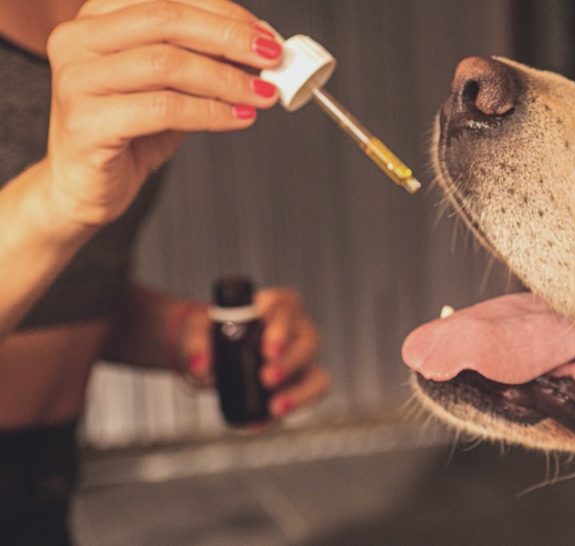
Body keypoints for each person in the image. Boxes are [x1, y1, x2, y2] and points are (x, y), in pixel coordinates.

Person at [0, 1, 331, 543]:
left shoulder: (136, 19)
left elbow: (66, 283)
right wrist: (57, 197)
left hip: (47, 482)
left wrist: (188, 335)